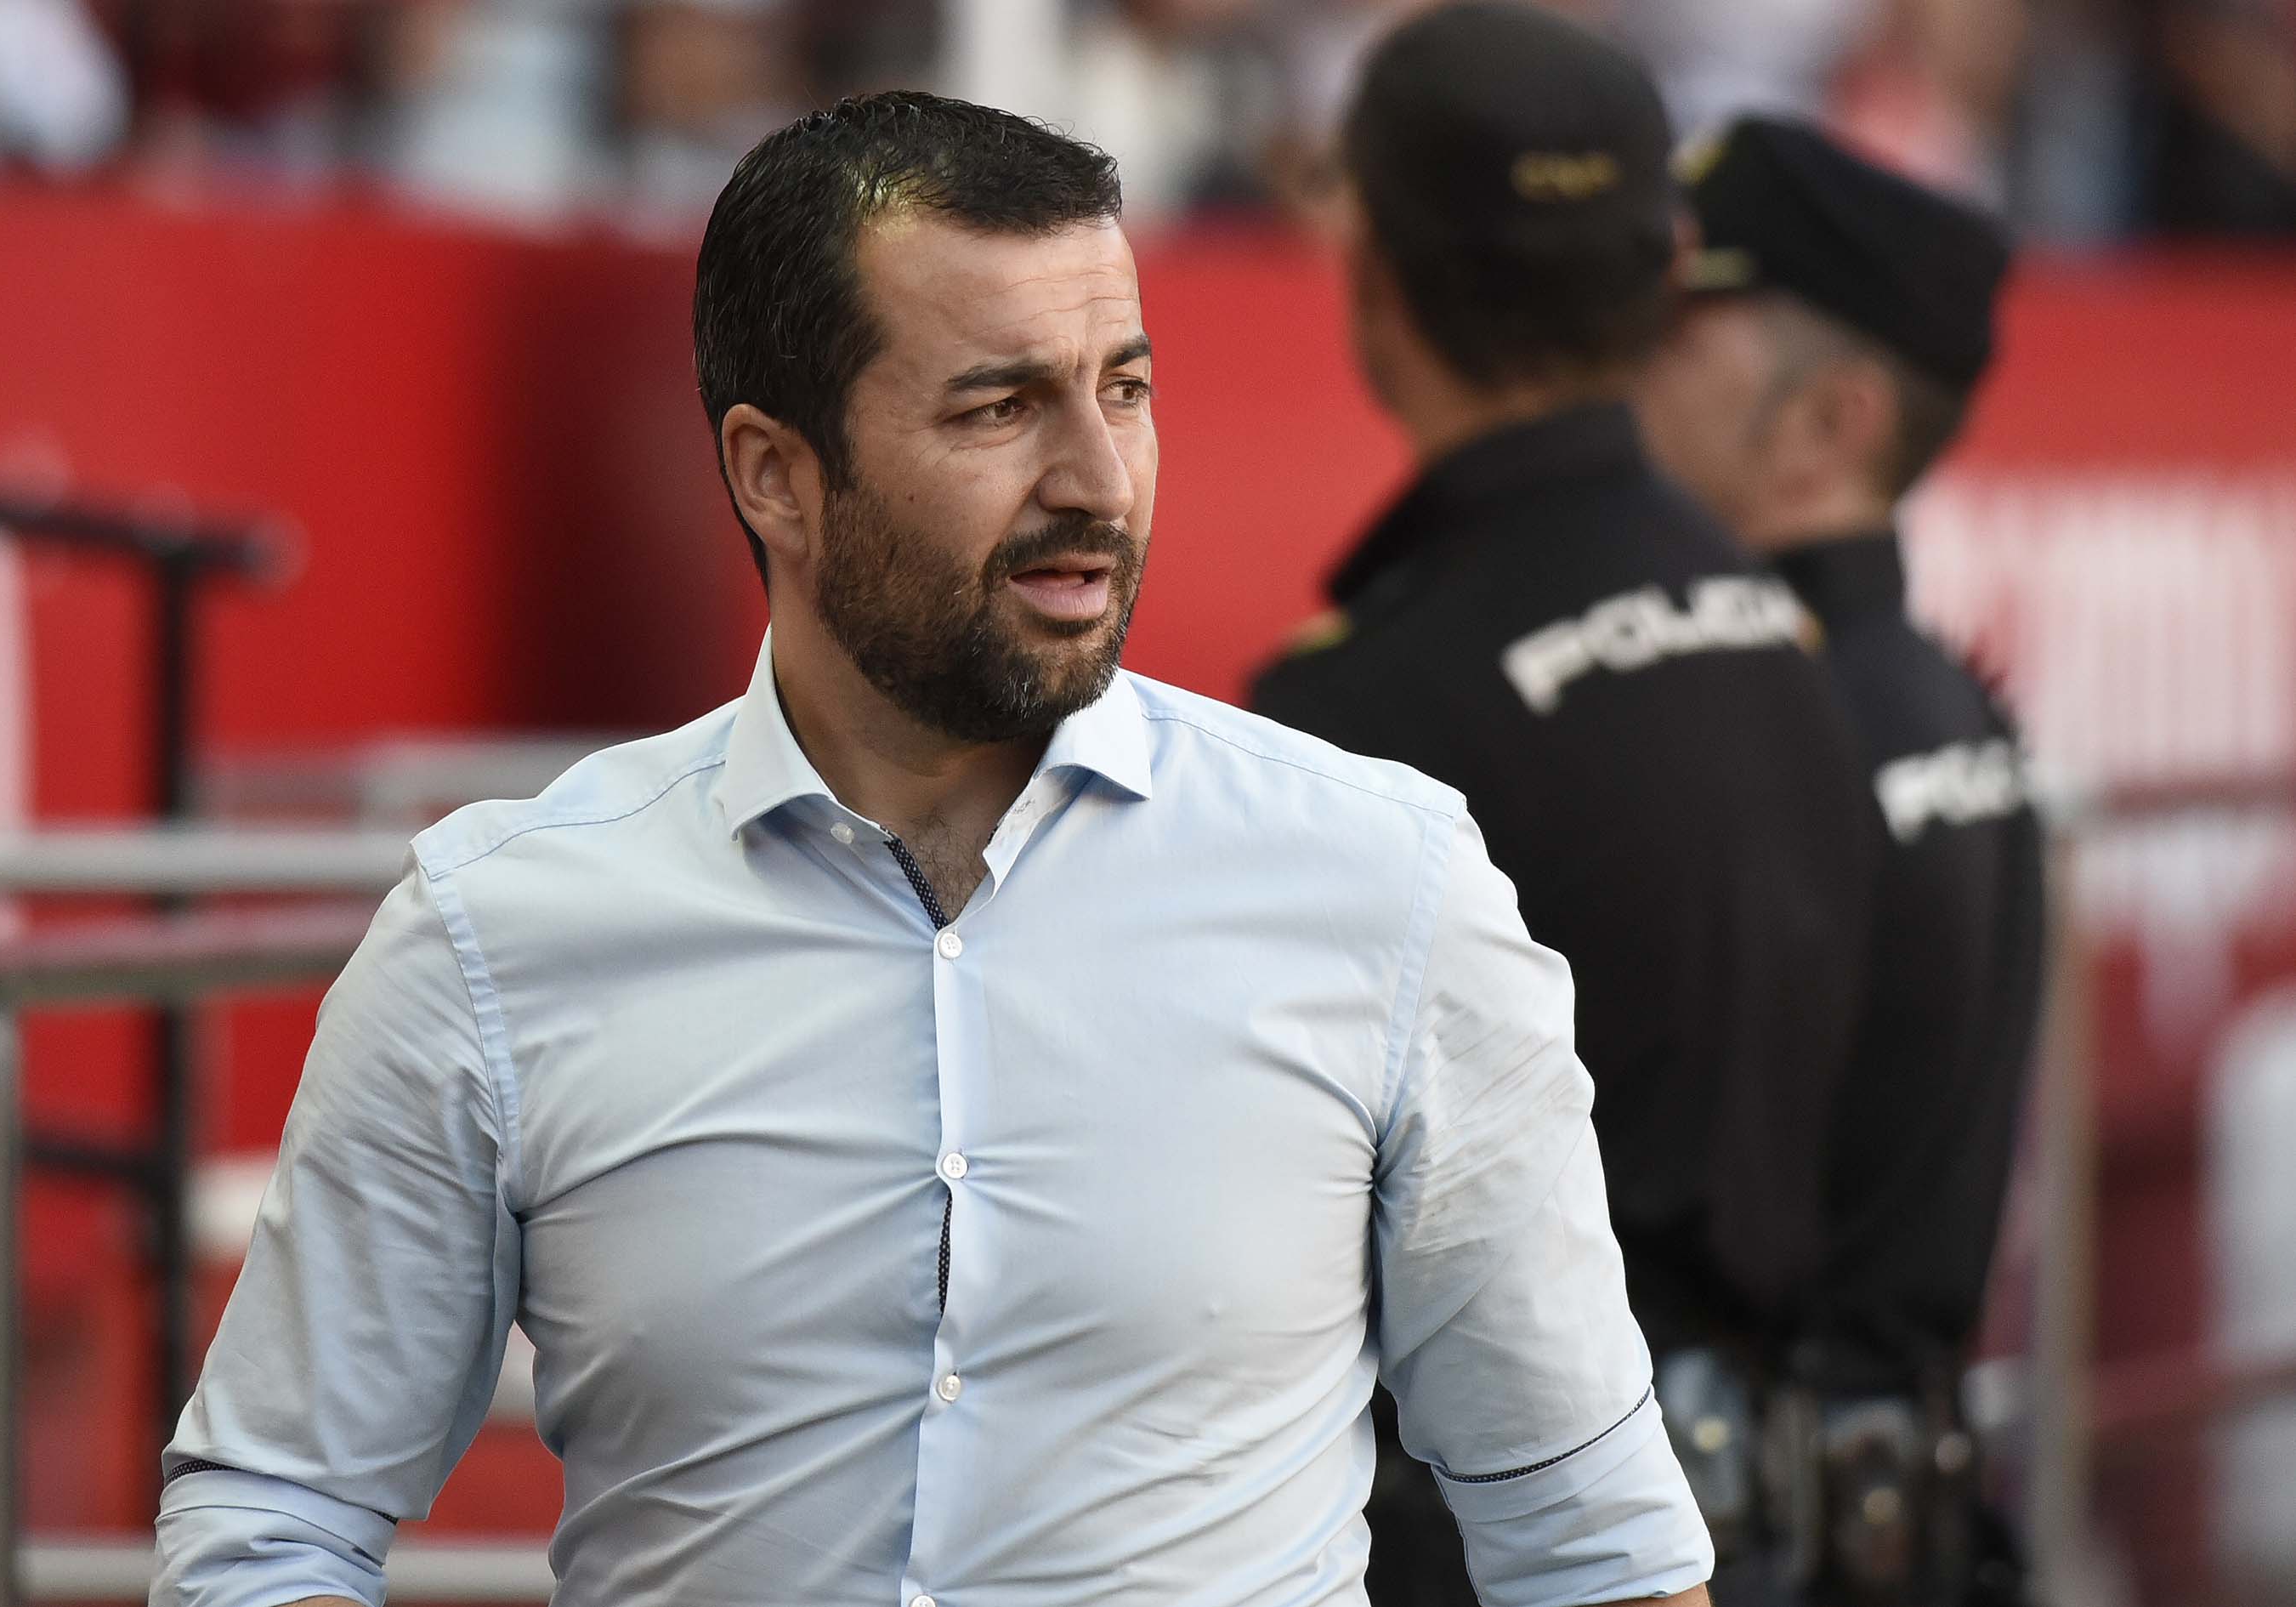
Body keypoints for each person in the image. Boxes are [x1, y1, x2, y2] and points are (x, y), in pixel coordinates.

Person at [153, 91, 1715, 1607]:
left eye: (1125, 387)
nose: (1098, 482)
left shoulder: (1387, 885)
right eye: (1000, 405)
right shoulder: (496, 931)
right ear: (775, 474)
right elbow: (270, 1519)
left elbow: (1599, 1550)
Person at [1247, 7, 1881, 1601]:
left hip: (1497, 1536)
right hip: (1745, 1508)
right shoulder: (1787, 635)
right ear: (1669, 275)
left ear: (1373, 285)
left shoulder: (1352, 711)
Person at [1635, 116, 2045, 1605]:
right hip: (1898, 1525)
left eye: (1683, 325)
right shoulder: (1947, 702)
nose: (1629, 361)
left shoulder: (1757, 728)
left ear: (1831, 418)